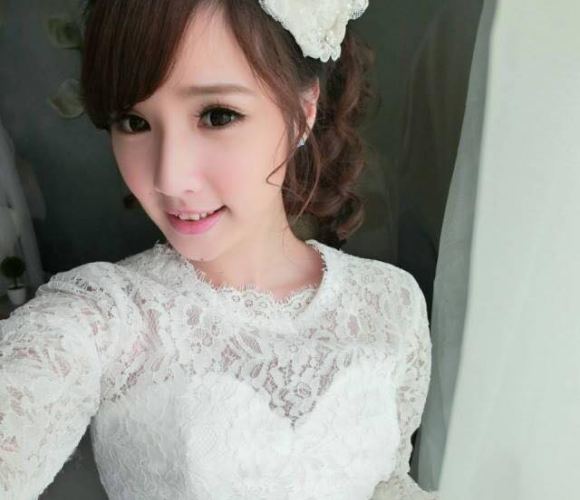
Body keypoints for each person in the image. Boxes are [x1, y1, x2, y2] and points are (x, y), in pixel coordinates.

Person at [0, 1, 437, 499]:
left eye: (217, 115)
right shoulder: (105, 317)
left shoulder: (391, 303)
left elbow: (388, 481)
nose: (169, 178)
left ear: (303, 112)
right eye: (133, 122)